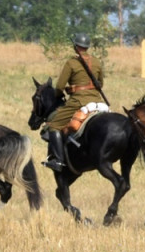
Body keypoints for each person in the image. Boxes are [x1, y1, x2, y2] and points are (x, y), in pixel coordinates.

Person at [43, 33, 104, 172]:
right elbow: (101, 83)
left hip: (78, 101)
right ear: (87, 47)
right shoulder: (96, 62)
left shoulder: (71, 63)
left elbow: (59, 87)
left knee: (54, 126)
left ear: (76, 47)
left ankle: (58, 161)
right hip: (97, 100)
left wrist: (59, 95)